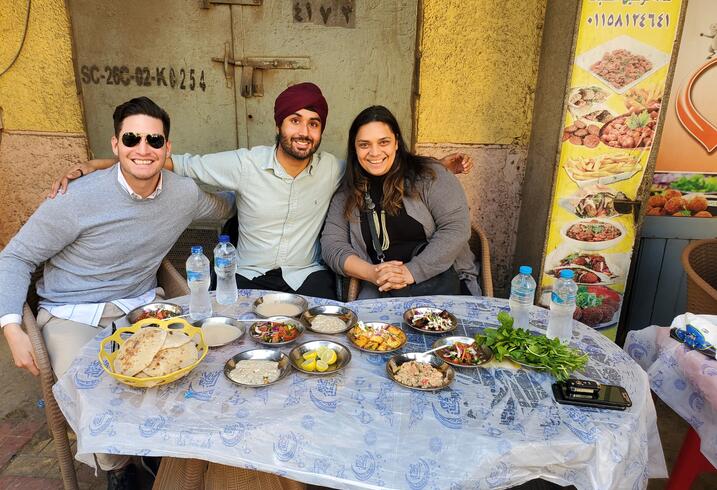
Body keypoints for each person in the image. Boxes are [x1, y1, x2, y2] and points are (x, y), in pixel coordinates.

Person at [50, 83, 473, 300]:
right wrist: (100, 164)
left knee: (321, 356)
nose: (303, 131)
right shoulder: (245, 163)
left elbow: (380, 159)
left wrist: (435, 166)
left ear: (321, 130)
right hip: (246, 274)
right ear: (279, 124)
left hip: (308, 277)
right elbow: (172, 159)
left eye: (313, 122)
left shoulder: (335, 170)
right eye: (294, 120)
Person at [0, 96, 233, 488]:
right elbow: (15, 257)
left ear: (167, 148)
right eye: (132, 138)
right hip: (72, 312)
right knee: (92, 388)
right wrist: (11, 329)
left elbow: (223, 207)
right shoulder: (75, 198)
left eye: (154, 141)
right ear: (115, 145)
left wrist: (260, 190)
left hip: (142, 305)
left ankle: (163, 449)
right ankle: (117, 468)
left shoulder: (183, 193)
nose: (143, 149)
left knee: (191, 364)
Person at [320, 105, 480, 298]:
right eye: (364, 144)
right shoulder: (348, 193)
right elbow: (332, 245)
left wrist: (410, 272)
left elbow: (456, 229)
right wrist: (373, 273)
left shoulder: (431, 175)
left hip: (442, 283)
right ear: (354, 148)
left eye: (383, 142)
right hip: (380, 289)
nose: (374, 152)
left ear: (396, 142)